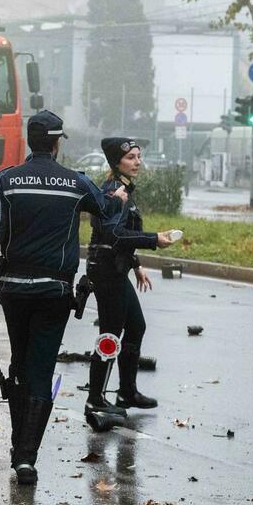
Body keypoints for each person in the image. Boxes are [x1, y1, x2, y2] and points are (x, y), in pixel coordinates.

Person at [0, 110, 128, 485]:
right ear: (57, 143)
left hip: (13, 291)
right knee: (41, 370)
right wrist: (119, 197)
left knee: (20, 364)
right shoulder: (75, 183)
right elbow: (106, 209)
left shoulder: (6, 181)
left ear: (31, 141)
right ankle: (26, 458)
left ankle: (19, 448)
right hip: (54, 292)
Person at [84, 138, 174, 418]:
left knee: (136, 326)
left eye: (138, 156)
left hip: (116, 267)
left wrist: (136, 265)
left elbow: (121, 235)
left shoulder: (123, 188)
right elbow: (113, 235)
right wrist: (153, 239)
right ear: (117, 162)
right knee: (110, 334)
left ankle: (127, 391)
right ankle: (95, 398)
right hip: (106, 271)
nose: (137, 162)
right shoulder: (114, 191)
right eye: (131, 157)